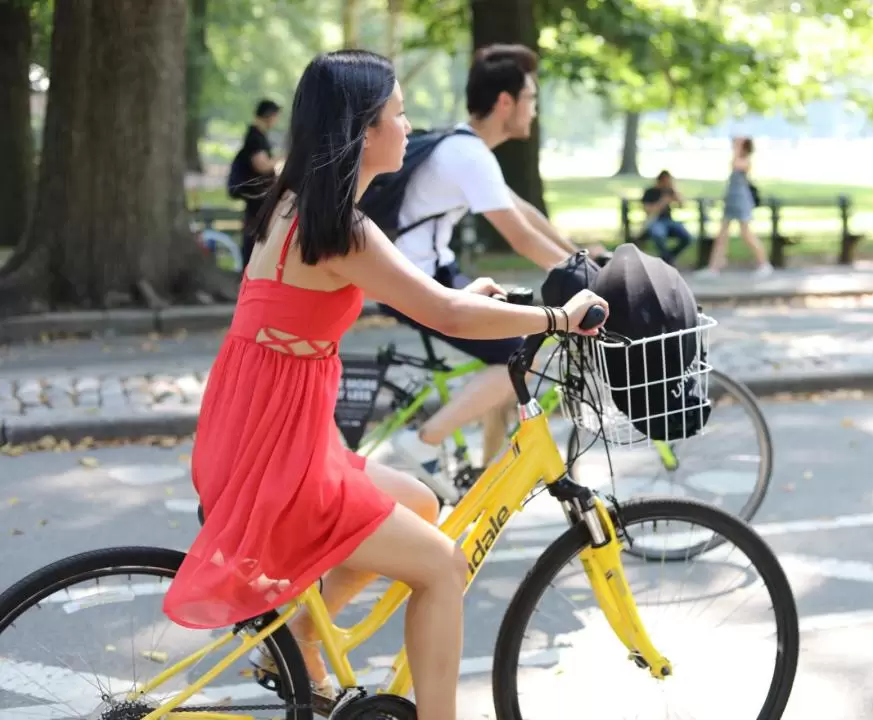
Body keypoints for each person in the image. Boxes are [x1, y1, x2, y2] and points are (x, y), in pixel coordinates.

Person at [161, 50, 608, 720]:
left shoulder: (294, 207)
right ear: (365, 130)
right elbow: (447, 315)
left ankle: (297, 639)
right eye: (399, 113)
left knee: (422, 502)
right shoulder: (341, 224)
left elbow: (390, 297)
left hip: (263, 439)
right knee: (442, 567)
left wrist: (462, 293)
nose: (410, 127)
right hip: (282, 459)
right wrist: (558, 316)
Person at [377, 43, 601, 484]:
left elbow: (525, 214)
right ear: (505, 102)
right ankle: (425, 439)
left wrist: (582, 261)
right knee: (524, 356)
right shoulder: (469, 154)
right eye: (531, 99)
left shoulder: (469, 148)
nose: (534, 110)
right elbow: (518, 236)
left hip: (434, 273)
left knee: (515, 345)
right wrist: (589, 284)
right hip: (411, 284)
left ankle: (488, 476)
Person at [699, 136, 772, 277]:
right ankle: (714, 267)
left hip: (741, 201)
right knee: (722, 236)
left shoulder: (746, 161)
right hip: (731, 200)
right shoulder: (738, 158)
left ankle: (764, 264)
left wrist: (738, 148)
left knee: (746, 233)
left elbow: (735, 164)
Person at [228, 99, 282, 268]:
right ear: (269, 116)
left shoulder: (258, 136)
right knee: (254, 234)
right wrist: (281, 159)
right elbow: (261, 165)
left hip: (258, 196)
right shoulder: (255, 137)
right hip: (255, 196)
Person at [641, 170, 693, 265]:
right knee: (658, 234)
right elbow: (648, 210)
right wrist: (662, 202)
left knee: (688, 237)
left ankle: (668, 257)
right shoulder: (650, 192)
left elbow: (682, 205)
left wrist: (675, 191)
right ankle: (667, 258)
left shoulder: (670, 191)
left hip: (669, 221)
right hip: (655, 221)